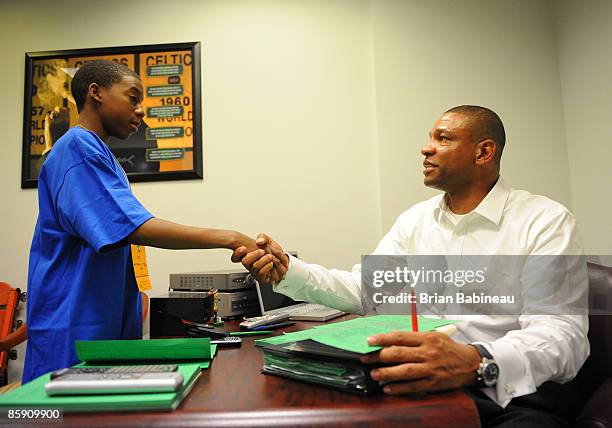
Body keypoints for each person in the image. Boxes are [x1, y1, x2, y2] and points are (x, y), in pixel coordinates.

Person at [234, 106, 589, 427]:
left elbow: (562, 336)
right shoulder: (415, 221)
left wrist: (474, 360)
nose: (426, 148)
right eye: (429, 138)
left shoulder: (544, 220)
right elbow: (366, 290)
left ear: (483, 152)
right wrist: (287, 271)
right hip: (425, 386)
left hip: (512, 392)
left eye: (442, 138)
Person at [24, 60, 281, 383]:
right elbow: (131, 227)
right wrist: (232, 237)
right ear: (96, 93)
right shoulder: (77, 148)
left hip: (99, 319)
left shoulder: (99, 154)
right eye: (133, 98)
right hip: (72, 322)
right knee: (57, 414)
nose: (142, 110)